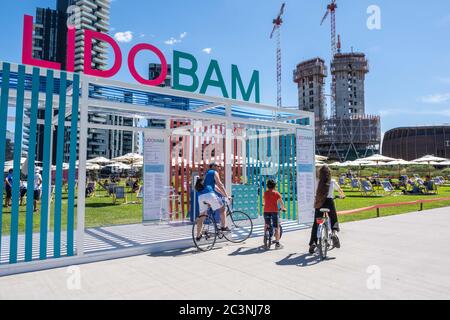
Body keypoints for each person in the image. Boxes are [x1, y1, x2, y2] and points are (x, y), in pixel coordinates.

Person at [309, 165, 345, 254]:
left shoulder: (316, 182)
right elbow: (340, 191)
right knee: (334, 219)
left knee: (316, 223)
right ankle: (334, 232)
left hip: (319, 204)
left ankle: (313, 243)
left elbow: (314, 192)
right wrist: (342, 196)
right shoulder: (332, 182)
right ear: (329, 173)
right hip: (329, 203)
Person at [204, 163, 231, 231]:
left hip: (202, 195)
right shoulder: (214, 172)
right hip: (209, 194)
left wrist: (224, 195)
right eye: (217, 166)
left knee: (206, 212)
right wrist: (227, 196)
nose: (219, 168)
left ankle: (202, 232)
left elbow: (216, 188)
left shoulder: (207, 173)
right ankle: (224, 227)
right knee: (223, 208)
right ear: (213, 166)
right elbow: (220, 184)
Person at [263, 179, 286, 249]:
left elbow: (265, 201)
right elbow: (281, 203)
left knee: (266, 224)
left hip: (266, 211)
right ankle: (277, 244)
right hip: (274, 212)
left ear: (267, 186)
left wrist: (263, 204)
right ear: (274, 186)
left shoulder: (265, 193)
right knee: (277, 227)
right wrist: (283, 208)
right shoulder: (276, 193)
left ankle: (265, 235)